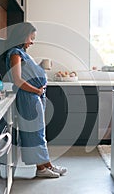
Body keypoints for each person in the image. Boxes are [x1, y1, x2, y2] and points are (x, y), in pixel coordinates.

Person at [5, 22, 67, 178]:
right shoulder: (15, 54)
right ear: (22, 36)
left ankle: (47, 164)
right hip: (28, 97)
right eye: (31, 37)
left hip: (34, 96)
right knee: (34, 133)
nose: (32, 41)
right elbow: (18, 80)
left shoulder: (21, 52)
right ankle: (40, 169)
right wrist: (37, 90)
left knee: (39, 132)